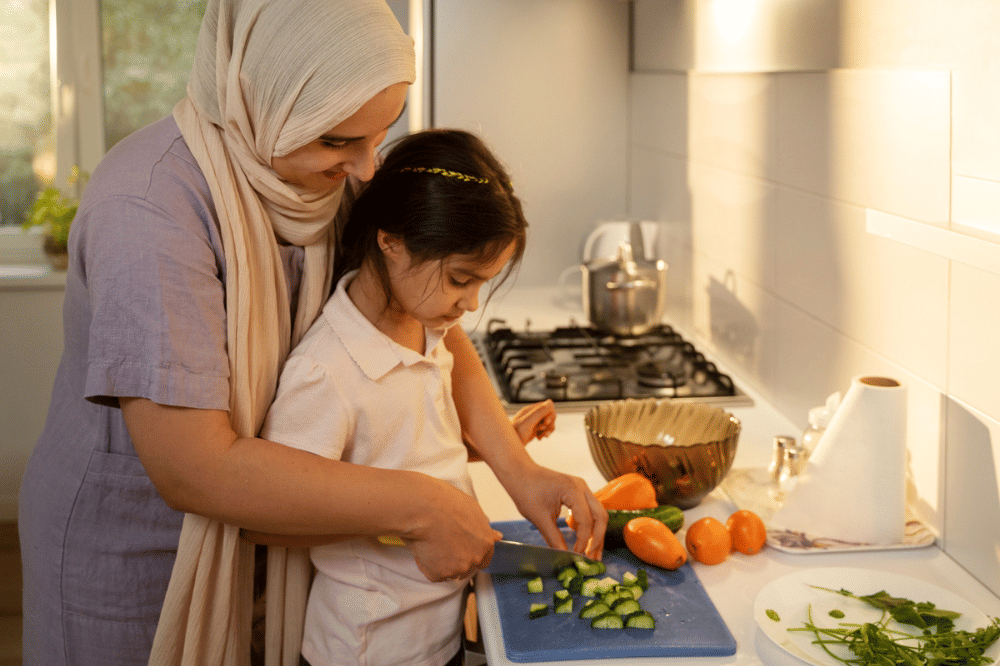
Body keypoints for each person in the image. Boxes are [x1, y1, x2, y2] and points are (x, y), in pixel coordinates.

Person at [17, 1, 606, 665]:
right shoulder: (148, 210)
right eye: (337, 140)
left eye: (378, 135)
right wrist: (423, 505)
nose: (364, 169)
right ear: (260, 95)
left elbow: (421, 321)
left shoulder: (326, 178)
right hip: (138, 553)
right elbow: (192, 469)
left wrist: (517, 467)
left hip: (277, 536)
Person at [244, 128, 541, 666]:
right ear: (391, 241)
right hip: (369, 648)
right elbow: (272, 513)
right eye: (459, 279)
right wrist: (405, 514)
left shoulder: (426, 325)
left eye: (481, 283)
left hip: (438, 630)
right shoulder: (325, 370)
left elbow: (400, 444)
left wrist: (484, 449)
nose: (471, 304)